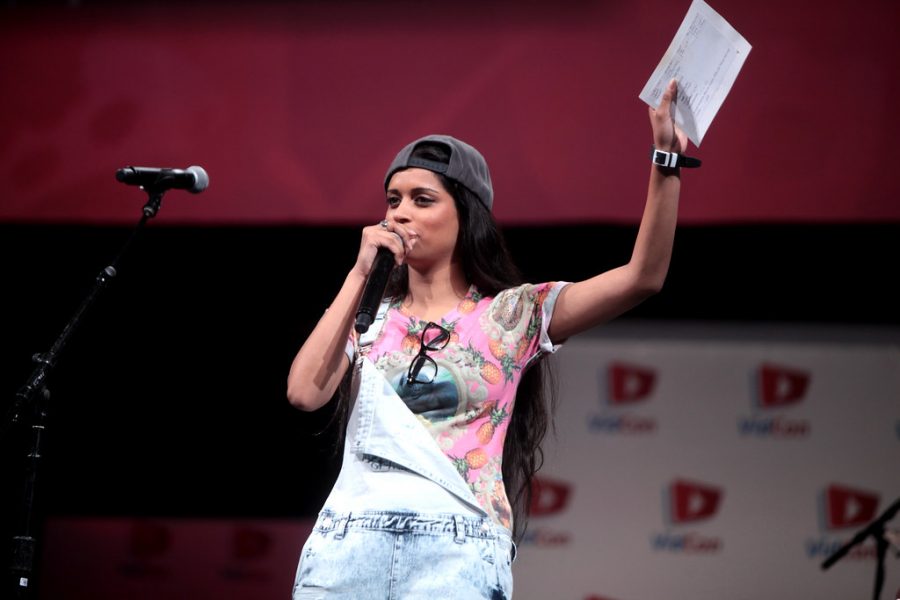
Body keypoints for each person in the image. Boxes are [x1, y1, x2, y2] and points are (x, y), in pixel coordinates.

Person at [287, 79, 690, 599]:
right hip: (349, 544)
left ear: (465, 214)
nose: (399, 213)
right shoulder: (368, 317)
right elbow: (304, 392)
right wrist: (359, 276)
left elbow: (642, 278)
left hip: (454, 552)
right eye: (393, 200)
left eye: (422, 199)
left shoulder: (512, 314)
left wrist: (666, 163)